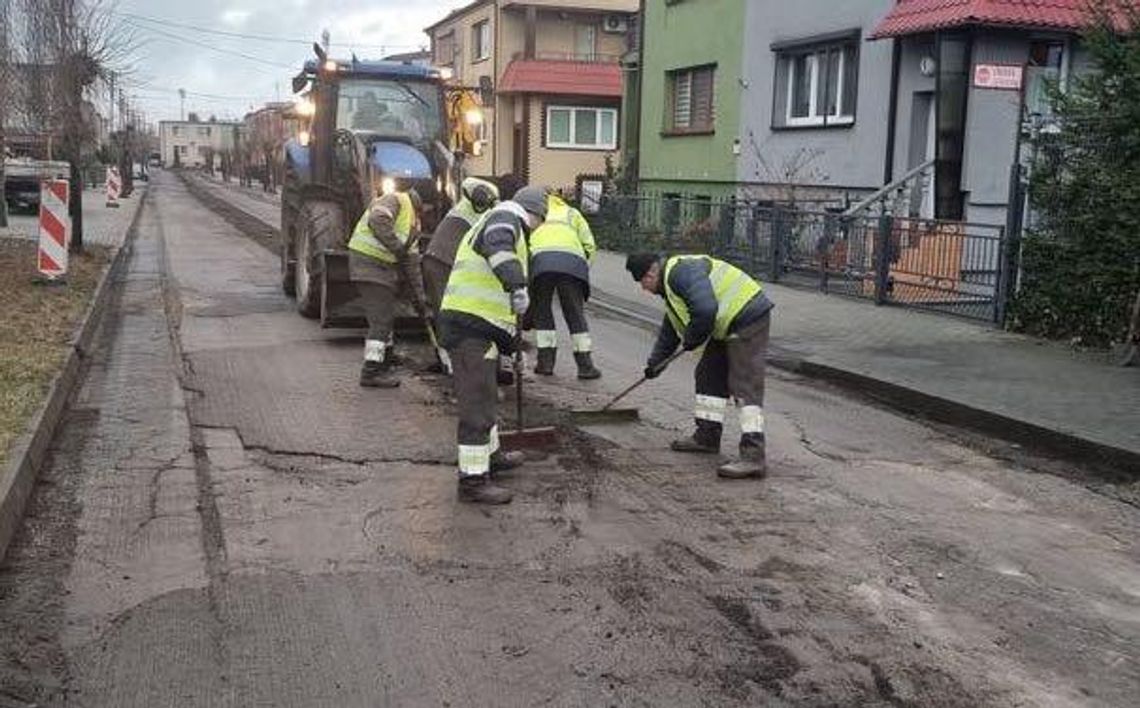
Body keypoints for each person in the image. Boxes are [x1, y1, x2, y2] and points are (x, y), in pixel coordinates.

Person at [438, 185, 549, 504]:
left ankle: (492, 456)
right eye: (540, 220)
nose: (538, 228)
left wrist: (513, 350)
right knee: (476, 405)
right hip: (467, 328)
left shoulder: (502, 220)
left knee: (486, 395)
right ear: (534, 214)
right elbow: (497, 248)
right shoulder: (506, 218)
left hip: (475, 327)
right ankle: (473, 480)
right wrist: (516, 282)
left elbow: (495, 307)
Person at [626, 253, 774, 479]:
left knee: (744, 384)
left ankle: (753, 455)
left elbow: (705, 311)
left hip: (747, 315)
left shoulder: (680, 273)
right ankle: (707, 436)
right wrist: (654, 365)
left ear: (651, 273)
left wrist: (693, 338)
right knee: (708, 374)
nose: (643, 289)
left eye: (642, 282)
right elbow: (670, 331)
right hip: (726, 322)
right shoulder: (671, 287)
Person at [347, 187, 425, 388]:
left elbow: (412, 262)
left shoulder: (414, 224)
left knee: (386, 315)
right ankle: (371, 371)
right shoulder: (396, 200)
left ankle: (386, 358)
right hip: (368, 263)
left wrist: (420, 297)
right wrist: (397, 248)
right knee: (381, 320)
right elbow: (377, 220)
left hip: (381, 268)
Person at [528, 193, 600, 380]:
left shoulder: (535, 212)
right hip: (572, 264)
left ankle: (545, 364)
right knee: (574, 313)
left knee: (542, 312)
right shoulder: (572, 213)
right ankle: (585, 366)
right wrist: (582, 270)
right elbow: (590, 246)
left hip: (540, 264)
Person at [422, 177, 501, 315]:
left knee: (449, 310)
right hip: (442, 264)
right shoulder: (472, 215)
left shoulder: (465, 208)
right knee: (449, 311)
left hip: (438, 262)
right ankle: (447, 336)